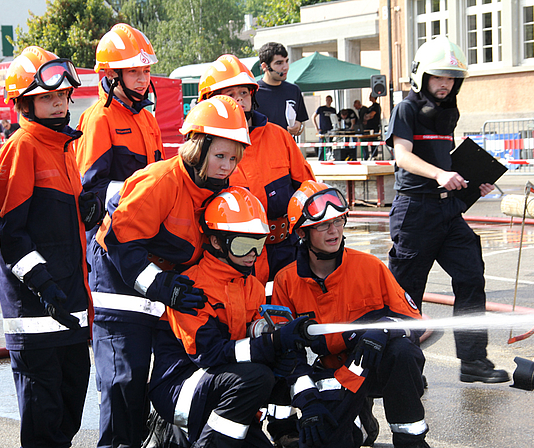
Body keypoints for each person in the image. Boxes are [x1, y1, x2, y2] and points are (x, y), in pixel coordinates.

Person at [89, 95, 250, 448]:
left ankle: (164, 435)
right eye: (220, 155)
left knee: (179, 371)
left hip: (170, 285)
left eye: (234, 158)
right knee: (124, 380)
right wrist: (161, 286)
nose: (227, 166)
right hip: (119, 280)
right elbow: (120, 243)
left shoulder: (220, 190)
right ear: (197, 147)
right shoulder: (162, 181)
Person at [148, 186, 315, 448]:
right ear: (216, 242)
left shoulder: (253, 287)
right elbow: (210, 354)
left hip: (224, 385)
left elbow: (245, 344)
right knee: (256, 375)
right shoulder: (191, 287)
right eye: (243, 244)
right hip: (179, 389)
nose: (253, 254)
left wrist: (278, 346)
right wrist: (269, 346)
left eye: (258, 243)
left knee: (274, 367)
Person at [385, 36, 509, 384]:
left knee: (471, 277)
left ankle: (473, 361)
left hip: (448, 211)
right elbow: (403, 156)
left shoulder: (447, 114)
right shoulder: (406, 109)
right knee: (406, 293)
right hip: (414, 212)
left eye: (452, 78)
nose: (445, 84)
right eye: (439, 77)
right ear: (421, 76)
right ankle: (405, 369)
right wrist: (440, 174)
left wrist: (472, 183)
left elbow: (447, 161)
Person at [0, 46, 100, 448]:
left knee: (69, 415)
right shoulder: (21, 148)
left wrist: (83, 213)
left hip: (69, 309)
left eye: (62, 96)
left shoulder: (63, 147)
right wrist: (45, 286)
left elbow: (55, 226)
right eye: (47, 97)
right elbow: (12, 236)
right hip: (37, 316)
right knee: (44, 425)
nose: (59, 103)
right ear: (25, 103)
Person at [272, 180, 429, 448]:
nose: (333, 231)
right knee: (328, 441)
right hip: (329, 375)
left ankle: (410, 441)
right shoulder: (286, 281)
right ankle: (360, 422)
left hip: (373, 368)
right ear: (302, 232)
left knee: (403, 351)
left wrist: (380, 331)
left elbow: (412, 322)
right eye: (322, 225)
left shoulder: (369, 267)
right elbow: (284, 351)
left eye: (338, 221)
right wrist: (307, 401)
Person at [197, 54, 315, 284]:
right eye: (229, 95)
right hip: (235, 257)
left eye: (243, 93)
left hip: (286, 250)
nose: (239, 100)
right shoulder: (204, 148)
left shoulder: (278, 136)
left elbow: (307, 188)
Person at [75, 23, 164, 247]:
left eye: (146, 71)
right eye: (133, 71)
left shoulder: (147, 118)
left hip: (147, 232)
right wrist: (141, 190)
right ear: (111, 73)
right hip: (110, 241)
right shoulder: (98, 119)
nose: (143, 80)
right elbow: (91, 190)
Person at [255, 42, 308, 138]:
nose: (285, 67)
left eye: (286, 61)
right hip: (261, 151)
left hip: (287, 150)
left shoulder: (294, 90)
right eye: (279, 63)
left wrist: (299, 127)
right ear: (264, 67)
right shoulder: (253, 92)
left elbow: (301, 121)